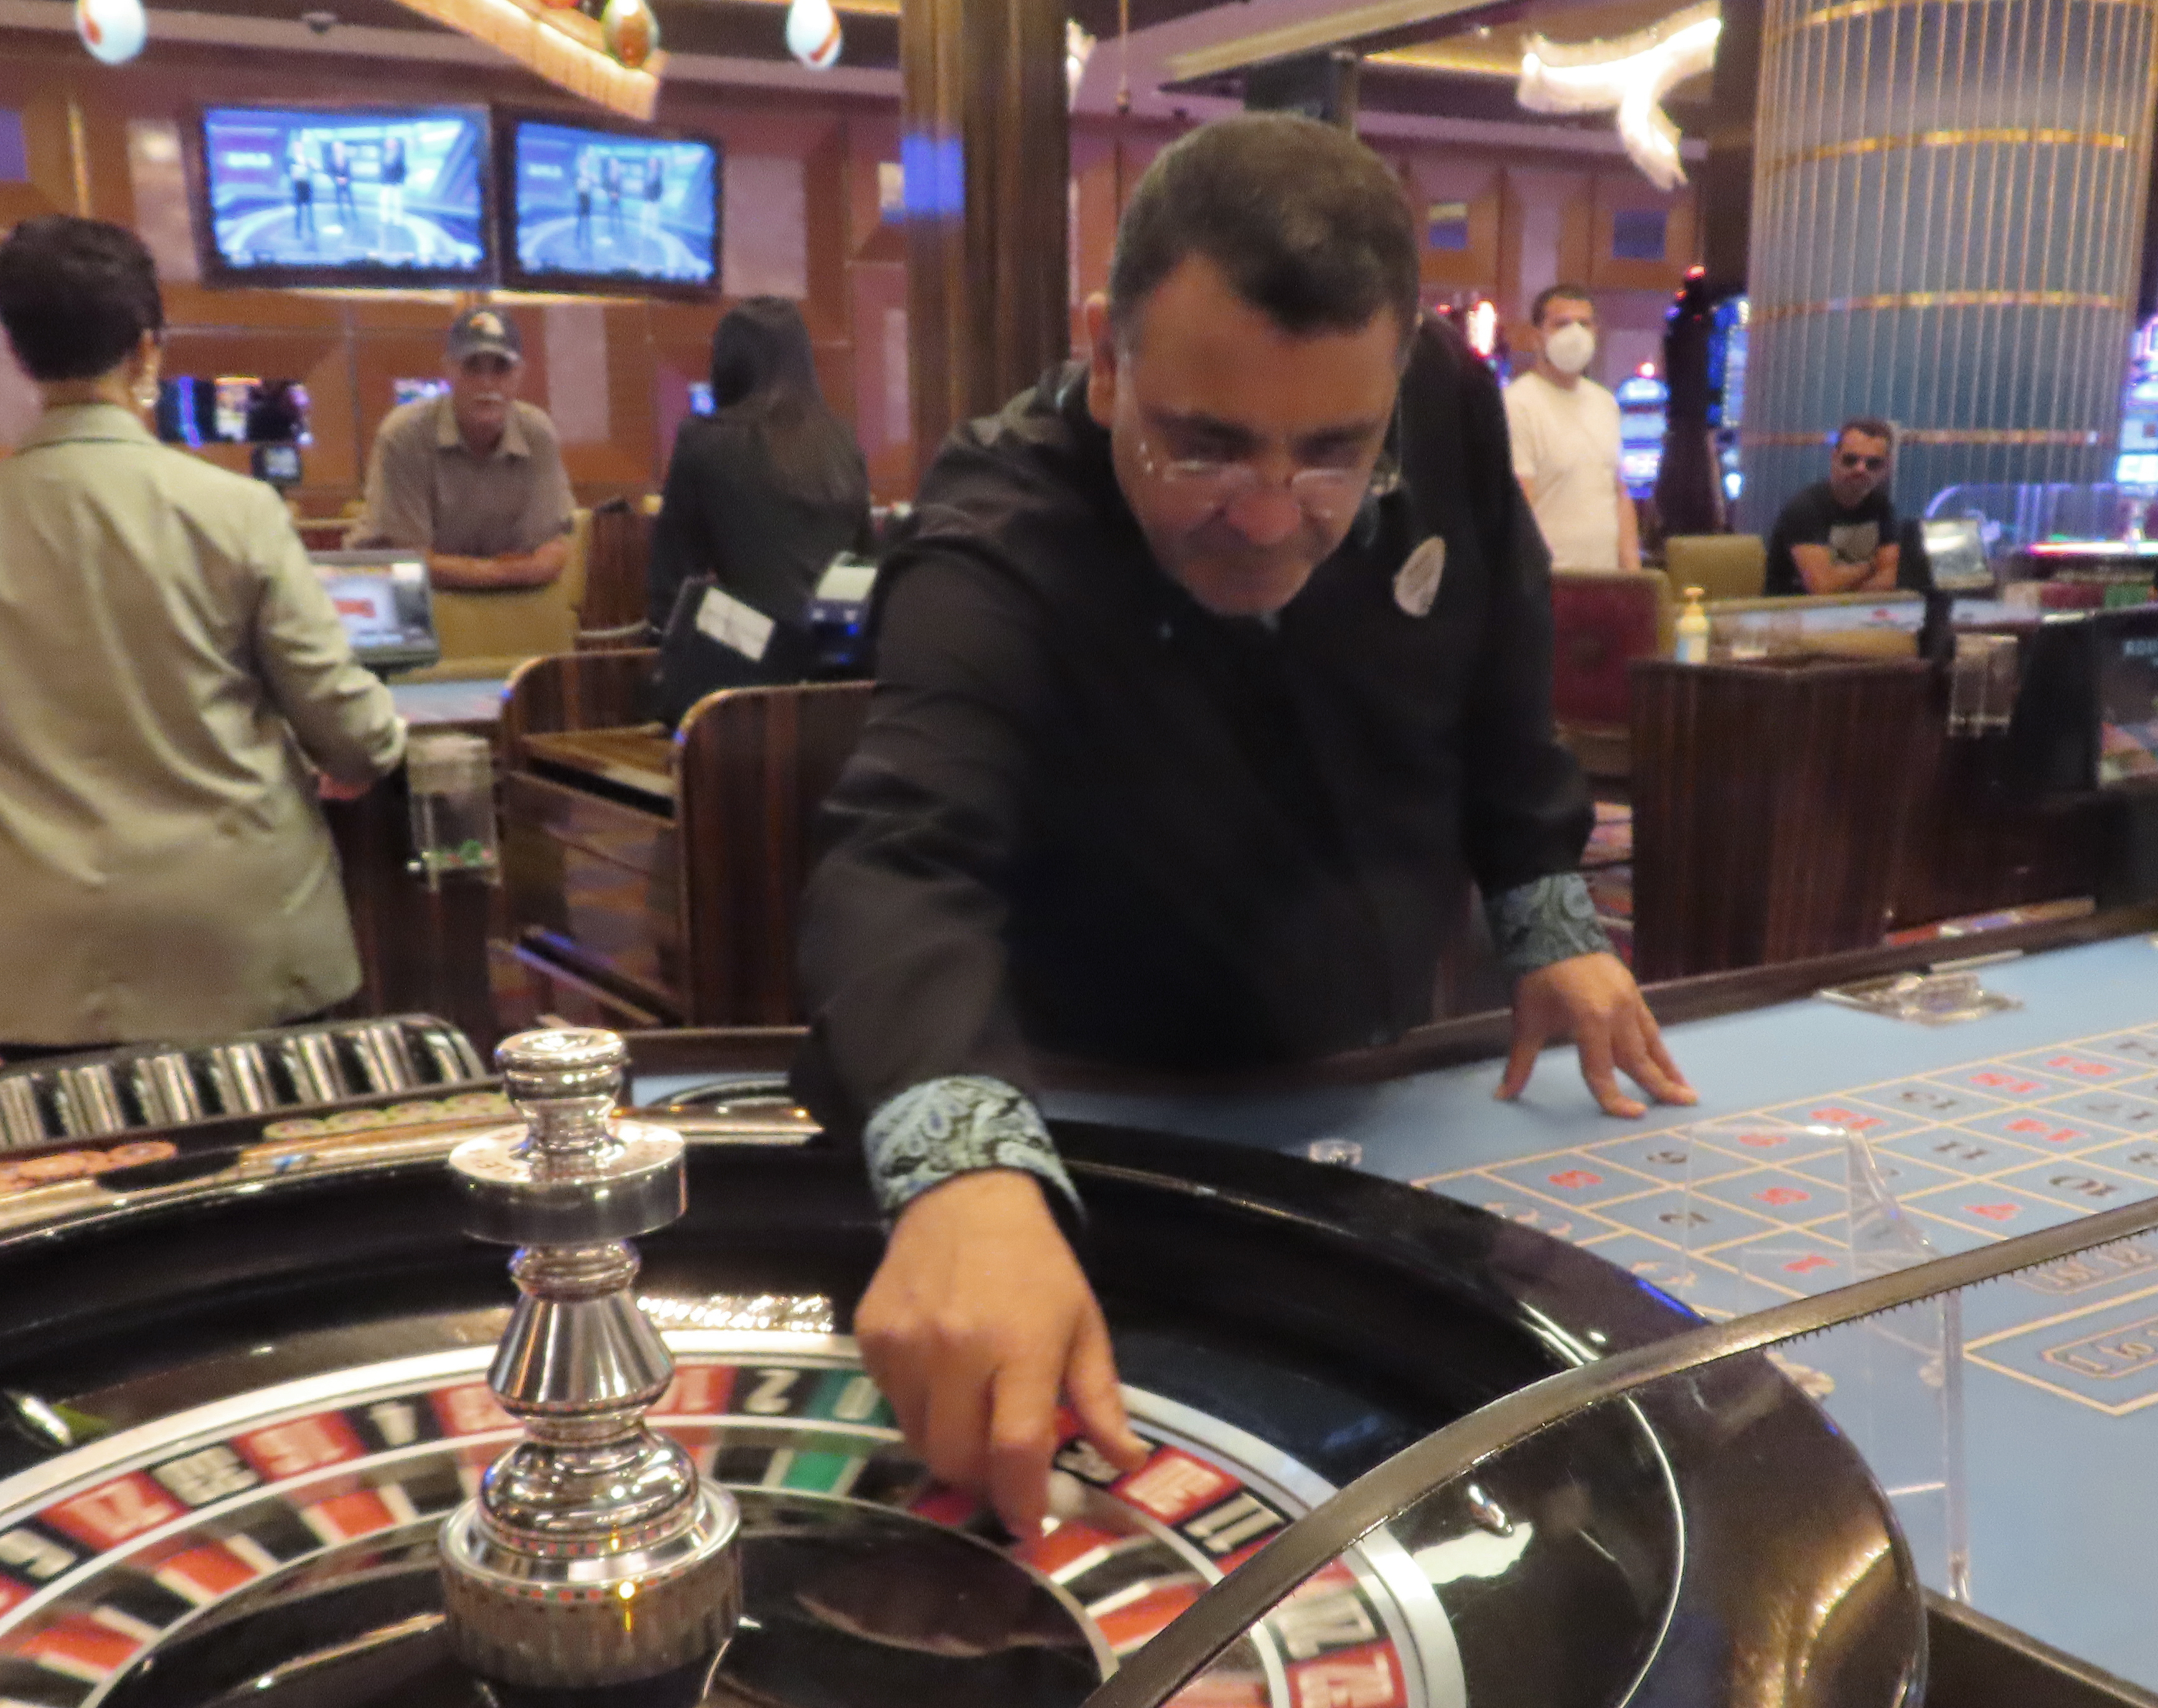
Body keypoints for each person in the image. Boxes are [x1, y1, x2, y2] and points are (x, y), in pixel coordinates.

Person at [792, 115, 1697, 1536]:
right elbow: (906, 852)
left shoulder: (1449, 406)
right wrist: (959, 1165)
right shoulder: (998, 519)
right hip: (1104, 1110)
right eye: (1203, 447)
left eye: (1330, 452)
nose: (1271, 519)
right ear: (1105, 358)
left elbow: (1499, 651)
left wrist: (1542, 911)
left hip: (1380, 1065)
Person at [0, 215, 405, 1053]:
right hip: (239, 938)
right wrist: (371, 747)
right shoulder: (236, 511)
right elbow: (344, 729)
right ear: (146, 350)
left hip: (32, 950)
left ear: (19, 355)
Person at [647, 297, 870, 634]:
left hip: (749, 670)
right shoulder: (844, 442)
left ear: (727, 364)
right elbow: (864, 569)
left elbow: (670, 598)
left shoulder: (703, 442)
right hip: (843, 662)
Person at [350, 306, 576, 590]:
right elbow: (410, 563)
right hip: (408, 599)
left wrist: (481, 572)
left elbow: (551, 554)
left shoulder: (538, 434)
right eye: (472, 367)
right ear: (449, 370)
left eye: (501, 368)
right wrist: (505, 571)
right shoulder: (405, 435)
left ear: (519, 374)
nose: (486, 383)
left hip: (511, 600)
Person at [1503, 285, 1640, 571]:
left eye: (1584, 324)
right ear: (1536, 336)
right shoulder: (1517, 404)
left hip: (1605, 583)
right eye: (1562, 324)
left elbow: (1619, 495)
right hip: (1550, 583)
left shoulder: (1605, 402)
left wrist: (1634, 578)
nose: (1575, 334)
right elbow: (1518, 509)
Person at [1765, 418, 1900, 595]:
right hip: (1795, 614)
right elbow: (1823, 587)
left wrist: (1848, 581)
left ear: (1886, 467)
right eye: (1851, 460)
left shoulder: (1882, 507)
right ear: (1834, 457)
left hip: (1855, 613)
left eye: (1873, 463)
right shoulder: (1806, 508)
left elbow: (1891, 579)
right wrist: (1873, 565)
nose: (1861, 469)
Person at [289, 136, 318, 246]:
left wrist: (312, 165)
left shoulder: (307, 159)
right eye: (296, 147)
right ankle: (298, 230)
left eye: (300, 146)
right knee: (299, 210)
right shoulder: (291, 159)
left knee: (310, 209)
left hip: (307, 186)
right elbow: (290, 172)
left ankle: (312, 228)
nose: (298, 148)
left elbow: (315, 169)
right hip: (298, 187)